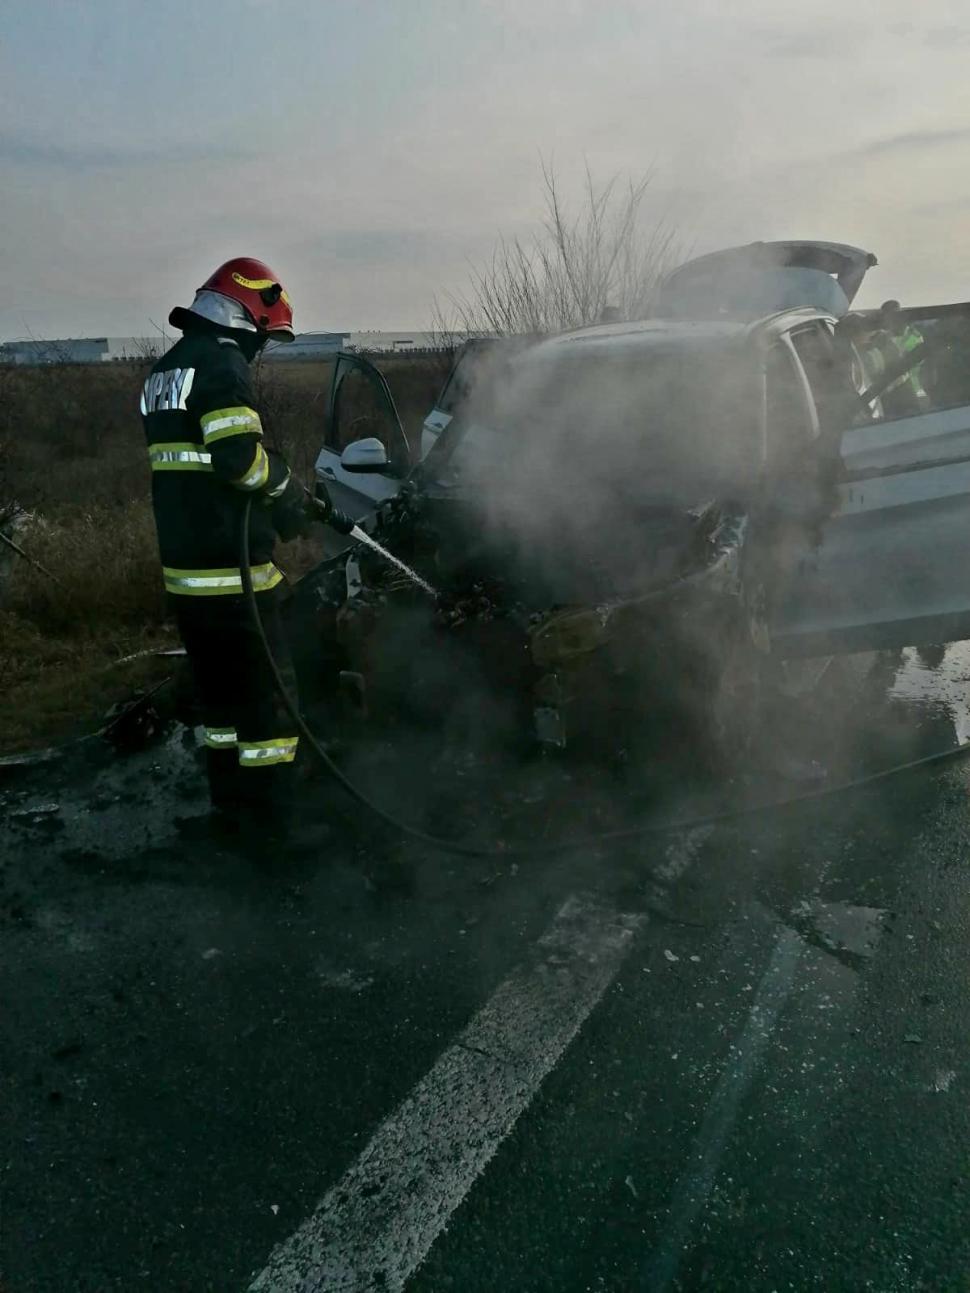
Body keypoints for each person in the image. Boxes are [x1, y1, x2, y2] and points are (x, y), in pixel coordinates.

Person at [139, 257, 352, 840]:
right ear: (249, 313)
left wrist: (272, 500)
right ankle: (279, 827)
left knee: (222, 707)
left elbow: (198, 467)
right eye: (265, 336)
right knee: (269, 706)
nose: (260, 350)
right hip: (233, 577)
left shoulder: (167, 370)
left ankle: (232, 814)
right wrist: (287, 488)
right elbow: (240, 462)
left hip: (187, 574)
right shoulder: (221, 362)